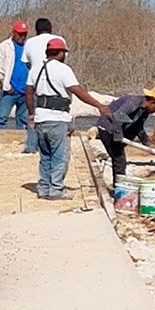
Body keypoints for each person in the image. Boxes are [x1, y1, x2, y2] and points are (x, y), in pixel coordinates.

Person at [26, 38, 110, 200]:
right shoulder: (63, 70)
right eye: (63, 52)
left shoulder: (35, 69)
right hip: (58, 118)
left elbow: (28, 92)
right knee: (59, 156)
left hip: (41, 118)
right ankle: (56, 189)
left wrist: (31, 114)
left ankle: (44, 188)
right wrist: (99, 105)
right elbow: (78, 91)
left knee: (45, 156)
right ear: (60, 53)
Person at [97, 85, 155, 187]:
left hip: (119, 128)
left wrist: (147, 143)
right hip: (108, 127)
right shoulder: (133, 103)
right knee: (119, 160)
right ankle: (119, 187)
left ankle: (118, 184)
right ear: (152, 102)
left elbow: (139, 127)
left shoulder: (144, 111)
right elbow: (117, 117)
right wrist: (119, 136)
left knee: (119, 159)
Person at [0, 20, 38, 153]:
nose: (22, 37)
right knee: (1, 118)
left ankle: (20, 144)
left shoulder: (29, 47)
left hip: (26, 91)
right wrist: (4, 84)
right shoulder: (3, 47)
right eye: (20, 34)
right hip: (10, 91)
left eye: (24, 34)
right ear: (13, 33)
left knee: (23, 119)